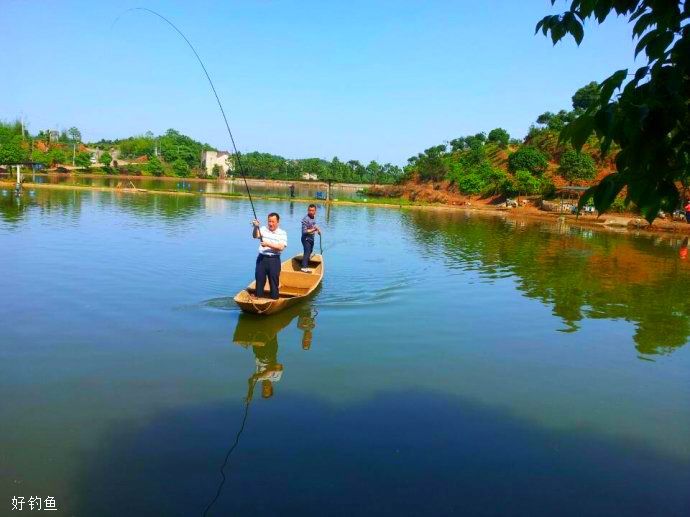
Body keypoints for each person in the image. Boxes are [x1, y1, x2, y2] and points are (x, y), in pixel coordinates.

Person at [251, 212, 287, 299]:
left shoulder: (282, 233)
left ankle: (274, 300)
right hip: (261, 259)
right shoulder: (263, 229)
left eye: (273, 222)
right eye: (269, 221)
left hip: (274, 260)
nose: (270, 224)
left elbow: (281, 247)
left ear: (278, 222)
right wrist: (256, 227)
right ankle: (258, 299)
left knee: (274, 283)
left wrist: (268, 244)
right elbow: (255, 236)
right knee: (259, 281)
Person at [300, 204, 320, 272]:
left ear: (315, 211)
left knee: (310, 251)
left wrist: (318, 230)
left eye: (312, 210)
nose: (311, 212)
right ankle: (304, 267)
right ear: (308, 210)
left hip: (311, 237)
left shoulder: (314, 217)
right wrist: (314, 230)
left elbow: (314, 225)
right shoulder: (305, 219)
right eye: (310, 210)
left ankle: (305, 262)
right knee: (307, 251)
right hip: (306, 238)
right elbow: (304, 231)